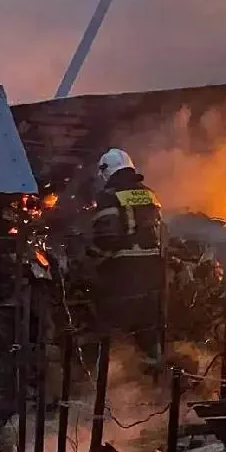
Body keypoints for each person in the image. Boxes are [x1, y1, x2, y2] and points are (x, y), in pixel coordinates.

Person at [87, 148, 165, 368]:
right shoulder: (150, 194)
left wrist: (88, 260)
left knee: (109, 332)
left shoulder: (109, 197)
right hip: (153, 276)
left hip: (122, 275)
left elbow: (106, 240)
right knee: (148, 332)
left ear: (106, 171)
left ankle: (105, 379)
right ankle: (155, 382)